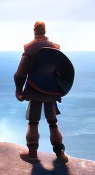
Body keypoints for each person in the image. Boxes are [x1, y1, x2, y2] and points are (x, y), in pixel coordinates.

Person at [14, 21, 68, 163]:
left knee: (33, 122)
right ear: (45, 31)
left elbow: (20, 74)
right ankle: (60, 153)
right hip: (51, 91)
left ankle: (32, 155)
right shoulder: (55, 48)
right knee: (53, 123)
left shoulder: (30, 48)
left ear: (34, 30)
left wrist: (19, 90)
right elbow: (61, 72)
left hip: (34, 90)